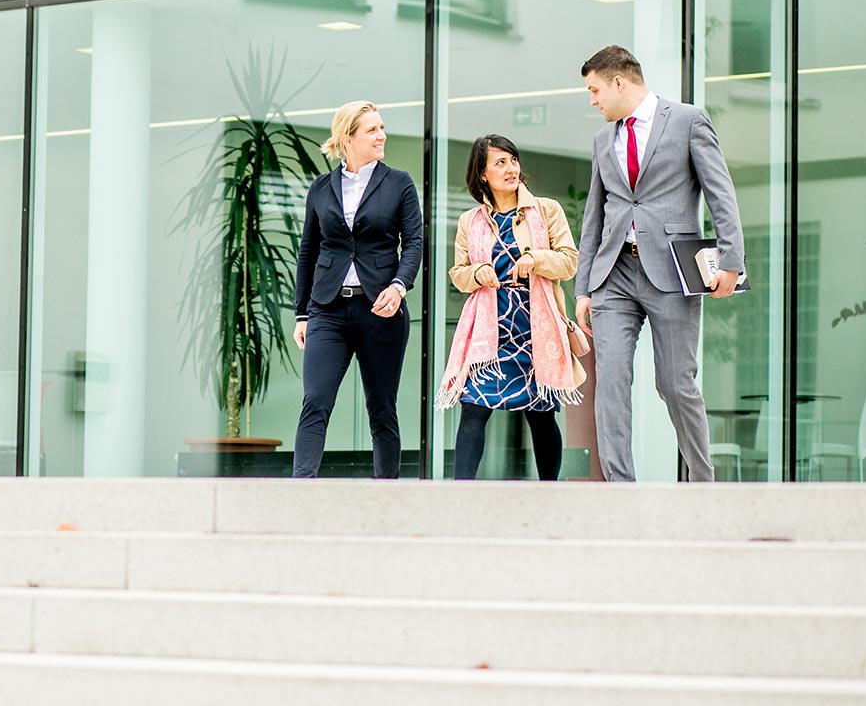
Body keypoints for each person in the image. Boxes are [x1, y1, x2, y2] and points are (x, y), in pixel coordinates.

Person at [574, 45, 745, 482]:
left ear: (619, 82)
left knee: (674, 384)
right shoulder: (601, 139)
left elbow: (719, 192)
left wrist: (731, 258)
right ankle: (620, 488)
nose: (592, 100)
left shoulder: (687, 120)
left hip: (672, 271)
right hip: (614, 274)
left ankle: (702, 483)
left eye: (594, 90)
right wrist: (583, 287)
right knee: (609, 384)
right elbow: (596, 213)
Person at [436, 134, 585, 481]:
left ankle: (549, 491)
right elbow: (458, 274)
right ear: (482, 173)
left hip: (534, 325)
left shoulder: (546, 210)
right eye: (500, 162)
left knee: (542, 412)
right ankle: (461, 494)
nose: (511, 168)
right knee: (473, 408)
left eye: (513, 160)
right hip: (488, 329)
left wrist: (534, 259)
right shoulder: (469, 221)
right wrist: (478, 272)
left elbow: (569, 262)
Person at [292, 101, 423, 478]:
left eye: (381, 128)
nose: (382, 136)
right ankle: (300, 489)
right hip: (327, 311)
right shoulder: (321, 187)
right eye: (372, 130)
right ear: (347, 138)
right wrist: (302, 312)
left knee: (381, 407)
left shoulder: (399, 183)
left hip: (380, 310)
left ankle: (386, 494)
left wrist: (399, 287)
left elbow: (413, 242)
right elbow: (309, 250)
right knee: (315, 400)